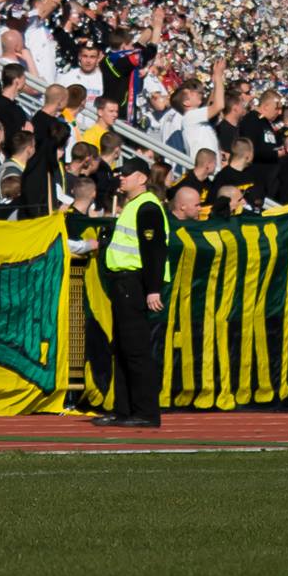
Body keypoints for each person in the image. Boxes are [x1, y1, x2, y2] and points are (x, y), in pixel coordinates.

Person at [95, 157, 168, 428]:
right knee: (123, 348)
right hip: (123, 283)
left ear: (142, 178)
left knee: (136, 350)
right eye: (121, 174)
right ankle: (124, 409)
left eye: (127, 174)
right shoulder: (133, 205)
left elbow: (154, 250)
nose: (121, 178)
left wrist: (153, 289)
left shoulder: (147, 206)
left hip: (134, 283)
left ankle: (146, 412)